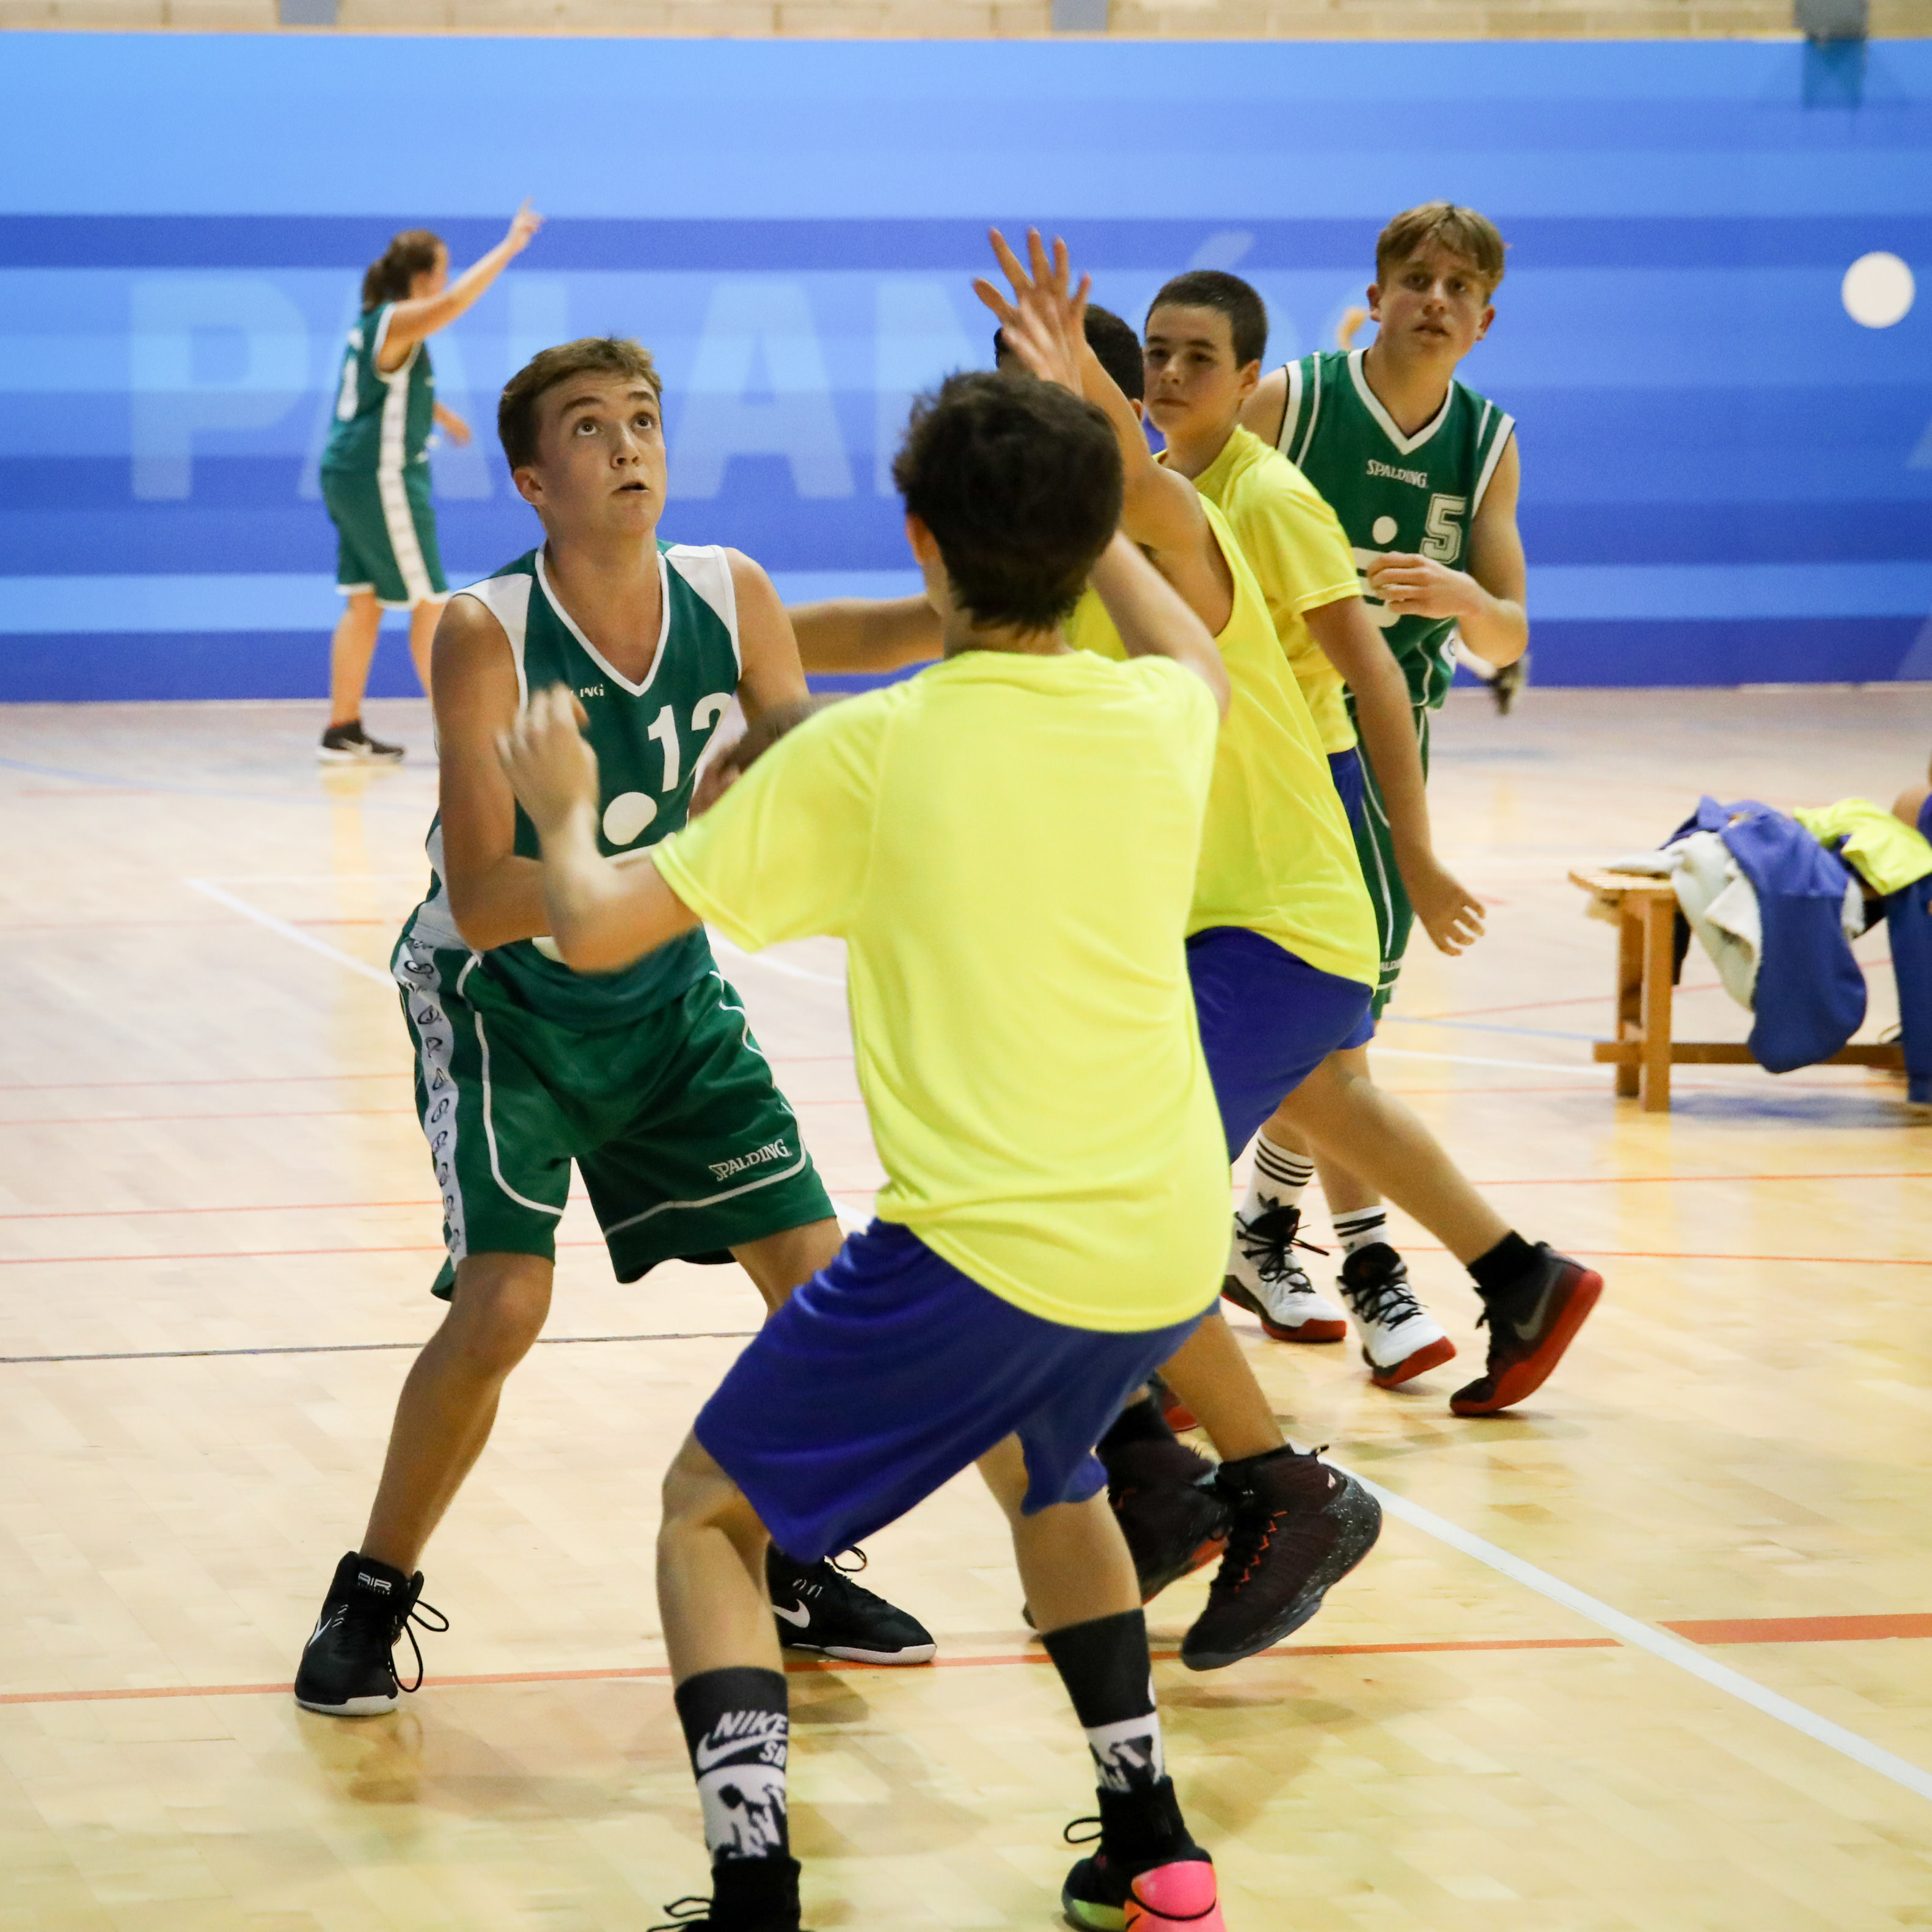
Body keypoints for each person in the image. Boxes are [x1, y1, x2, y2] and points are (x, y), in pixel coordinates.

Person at [498, 295, 1245, 1930]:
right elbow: (1187, 640)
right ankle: (1153, 1842)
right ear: (1091, 537)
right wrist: (1096, 448)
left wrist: (560, 810)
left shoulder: (869, 752)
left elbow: (598, 927)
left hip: (984, 1251)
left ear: (921, 544)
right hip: (1165, 1243)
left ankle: (753, 1884)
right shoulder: (1161, 714)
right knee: (1051, 1475)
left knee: (708, 1513)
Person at [291, 335, 934, 1724]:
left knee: (815, 1276)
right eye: (588, 427)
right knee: (505, 1304)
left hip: (664, 989)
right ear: (532, 481)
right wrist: (673, 850)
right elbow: (486, 894)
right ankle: (371, 1588)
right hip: (502, 999)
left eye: (642, 417)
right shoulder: (485, 632)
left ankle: (792, 1554)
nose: (628, 442)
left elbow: (798, 781)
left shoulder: (732, 591)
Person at [798, 243, 1386, 1673]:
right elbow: (888, 629)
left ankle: (1264, 1483)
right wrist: (695, 627)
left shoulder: (1174, 521)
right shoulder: (1043, 571)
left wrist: (1078, 386)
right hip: (1180, 939)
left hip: (1277, 922)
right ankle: (1165, 1478)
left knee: (1094, 1196)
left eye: (1042, 404)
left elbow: (1133, 476)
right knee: (1058, 1200)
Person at [1143, 266, 1599, 1411]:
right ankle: (1495, 1269)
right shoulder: (1175, 481)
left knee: (1207, 1091)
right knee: (1319, 1074)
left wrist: (1416, 849)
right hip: (1232, 801)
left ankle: (1224, 1321)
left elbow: (1406, 670)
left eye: (1197, 357)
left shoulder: (1271, 490)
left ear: (1247, 378)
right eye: (1155, 355)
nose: (1173, 375)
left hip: (1313, 798)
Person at [318, 207, 541, 764]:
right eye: (443, 269)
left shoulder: (377, 322)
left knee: (366, 604)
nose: (447, 278)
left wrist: (439, 413)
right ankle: (465, 741)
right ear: (422, 277)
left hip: (350, 473)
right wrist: (509, 246)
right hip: (381, 476)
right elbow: (456, 303)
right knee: (429, 604)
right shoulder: (398, 318)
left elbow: (382, 389)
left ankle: (342, 729)